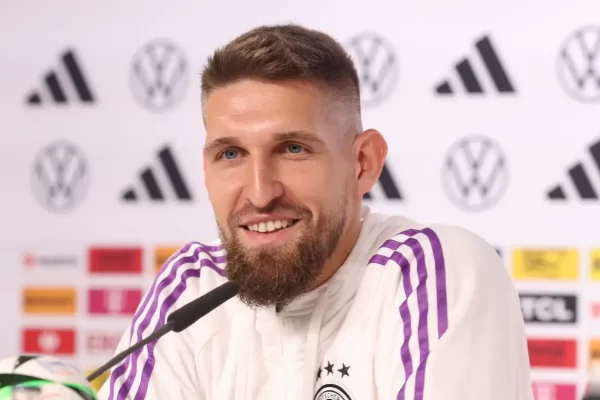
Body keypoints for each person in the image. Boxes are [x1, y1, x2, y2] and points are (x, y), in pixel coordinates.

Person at [98, 23, 533, 400]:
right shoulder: (193, 285)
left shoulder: (433, 271)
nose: (260, 193)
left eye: (293, 149)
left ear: (363, 162)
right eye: (231, 154)